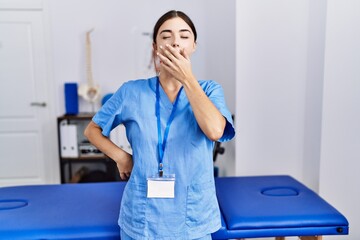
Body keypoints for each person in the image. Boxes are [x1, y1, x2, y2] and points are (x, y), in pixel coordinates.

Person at [84, 10, 235, 240]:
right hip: (141, 218)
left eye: (184, 35)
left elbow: (215, 130)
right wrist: (121, 157)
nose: (175, 41)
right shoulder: (131, 91)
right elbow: (92, 130)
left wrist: (187, 79)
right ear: (155, 46)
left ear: (194, 45)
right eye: (166, 36)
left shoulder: (210, 90)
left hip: (193, 220)